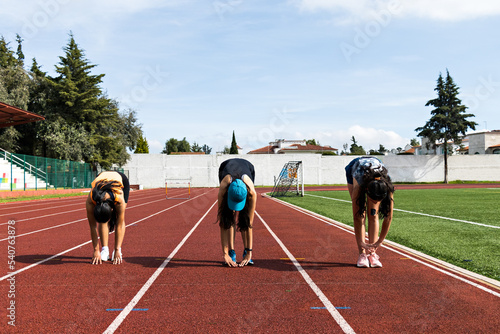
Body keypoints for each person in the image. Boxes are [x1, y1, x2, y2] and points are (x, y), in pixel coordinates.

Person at [345, 156, 394, 268]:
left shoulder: (388, 187)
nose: (375, 202)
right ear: (367, 191)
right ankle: (362, 255)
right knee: (361, 213)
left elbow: (388, 218)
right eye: (372, 199)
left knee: (373, 213)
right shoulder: (359, 185)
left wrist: (378, 242)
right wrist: (361, 244)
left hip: (375, 174)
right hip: (355, 167)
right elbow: (356, 217)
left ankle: (372, 253)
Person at [217, 158, 257, 267]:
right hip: (225, 169)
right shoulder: (224, 187)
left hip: (248, 168)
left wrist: (249, 252)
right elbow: (222, 222)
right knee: (228, 218)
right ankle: (231, 251)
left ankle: (245, 252)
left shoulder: (251, 193)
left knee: (245, 220)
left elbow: (250, 224)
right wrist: (225, 254)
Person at [86, 171, 130, 265]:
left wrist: (117, 249)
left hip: (120, 180)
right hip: (101, 178)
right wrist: (96, 250)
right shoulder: (90, 200)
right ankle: (105, 249)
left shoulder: (119, 199)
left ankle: (116, 250)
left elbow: (119, 225)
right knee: (103, 220)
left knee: (120, 219)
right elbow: (92, 227)